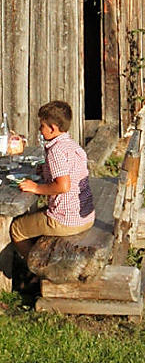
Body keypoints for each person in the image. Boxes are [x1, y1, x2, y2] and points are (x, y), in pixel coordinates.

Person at [10, 100, 95, 263]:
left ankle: (35, 269)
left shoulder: (55, 151)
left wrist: (35, 188)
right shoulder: (73, 146)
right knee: (34, 217)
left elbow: (63, 186)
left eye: (42, 126)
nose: (40, 130)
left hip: (65, 220)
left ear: (52, 128)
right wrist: (46, 170)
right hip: (85, 216)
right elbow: (71, 173)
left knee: (17, 228)